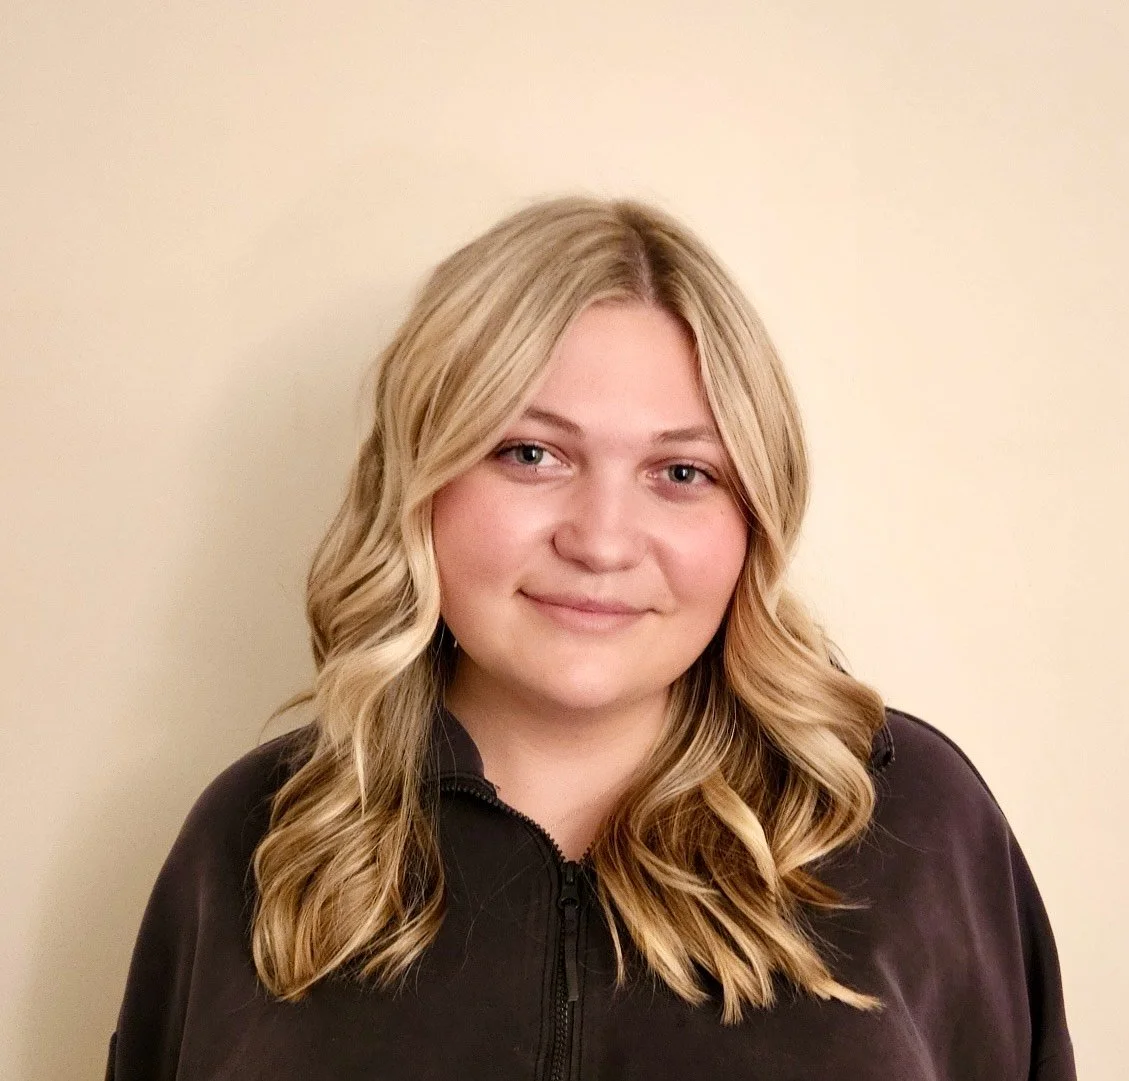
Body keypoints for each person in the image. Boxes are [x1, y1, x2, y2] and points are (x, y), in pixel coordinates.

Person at [105, 196, 1076, 1080]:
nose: (601, 539)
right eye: (530, 454)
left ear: (753, 515)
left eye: (681, 472)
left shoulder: (908, 819)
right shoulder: (259, 837)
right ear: (421, 482)